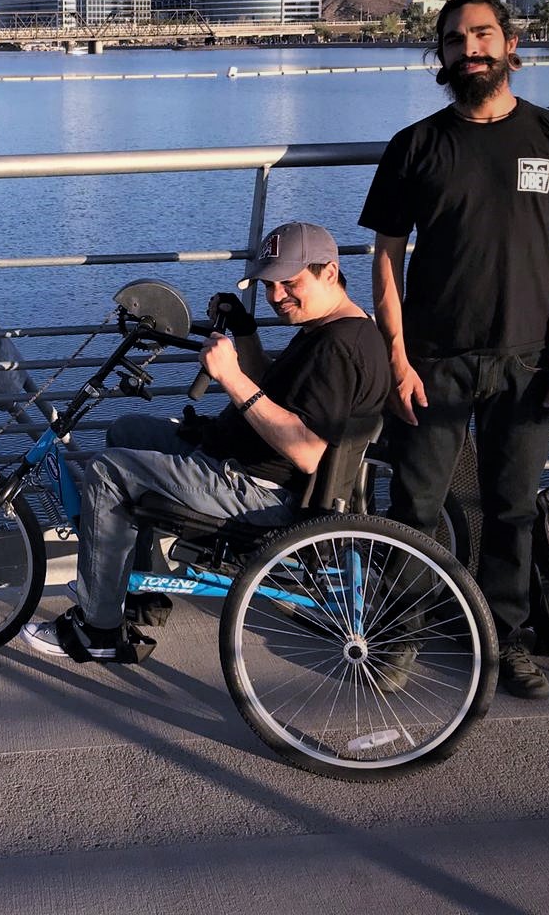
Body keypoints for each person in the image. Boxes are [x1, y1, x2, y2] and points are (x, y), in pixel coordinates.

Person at [359, 0, 549, 700]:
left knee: (511, 508)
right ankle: (401, 631)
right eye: (453, 40)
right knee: (414, 506)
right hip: (432, 362)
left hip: (528, 360)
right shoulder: (416, 146)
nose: (468, 49)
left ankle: (507, 639)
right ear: (439, 56)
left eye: (481, 35)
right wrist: (397, 356)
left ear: (509, 44)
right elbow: (386, 256)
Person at [21, 222, 390, 662]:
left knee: (107, 471)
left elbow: (307, 451)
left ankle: (96, 629)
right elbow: (277, 387)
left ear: (330, 272)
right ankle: (138, 603)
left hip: (254, 490)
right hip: (234, 458)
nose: (276, 296)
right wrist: (246, 330)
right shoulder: (334, 327)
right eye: (269, 285)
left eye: (290, 284)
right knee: (127, 431)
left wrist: (230, 377)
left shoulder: (338, 350)